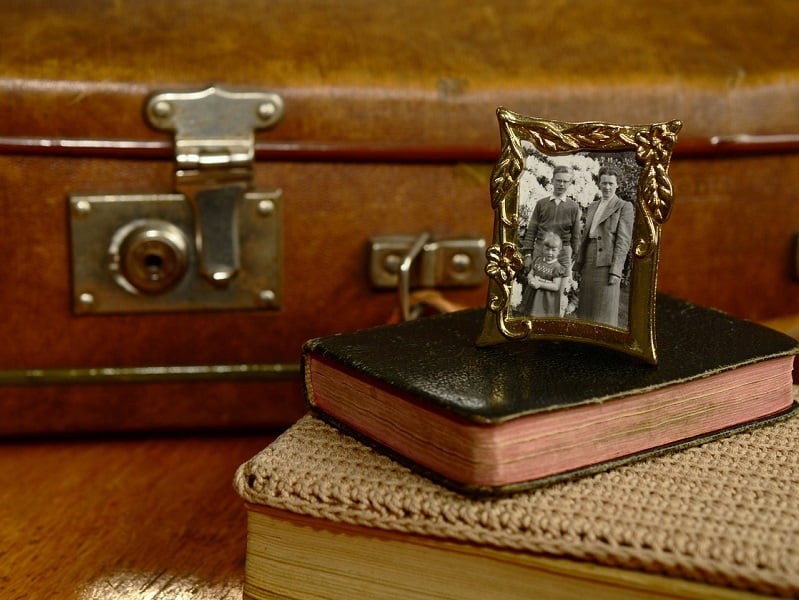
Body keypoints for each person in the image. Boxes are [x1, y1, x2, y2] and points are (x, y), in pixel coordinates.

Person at [574, 165, 634, 328]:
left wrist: (616, 270)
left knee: (603, 312)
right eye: (604, 183)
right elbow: (586, 235)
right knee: (586, 308)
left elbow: (623, 242)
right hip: (589, 260)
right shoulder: (593, 205)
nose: (607, 187)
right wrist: (579, 264)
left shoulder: (624, 207)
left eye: (611, 184)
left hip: (606, 265)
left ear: (617, 185)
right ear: (599, 184)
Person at [519, 232, 566, 318]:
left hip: (546, 298)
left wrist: (540, 284)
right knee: (529, 314)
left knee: (541, 317)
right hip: (533, 293)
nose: (550, 253)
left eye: (553, 250)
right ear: (542, 248)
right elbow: (530, 274)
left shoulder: (557, 267)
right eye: (547, 249)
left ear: (559, 251)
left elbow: (556, 286)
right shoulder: (538, 260)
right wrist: (531, 280)